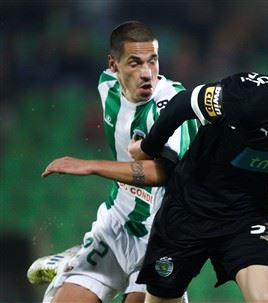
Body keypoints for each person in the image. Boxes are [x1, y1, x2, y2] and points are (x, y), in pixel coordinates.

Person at [43, 38, 268, 303]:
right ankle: (82, 261)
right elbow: (184, 103)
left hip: (245, 217)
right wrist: (149, 148)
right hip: (187, 211)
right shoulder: (245, 98)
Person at [28, 21, 197, 303]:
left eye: (152, 61)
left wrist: (91, 165)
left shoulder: (173, 104)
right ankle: (75, 256)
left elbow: (163, 172)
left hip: (161, 235)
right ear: (113, 65)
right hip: (116, 223)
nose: (147, 73)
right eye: (134, 63)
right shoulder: (107, 84)